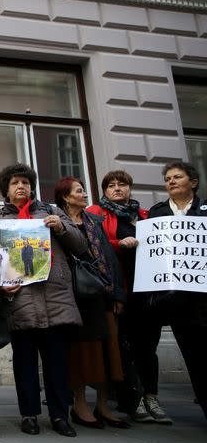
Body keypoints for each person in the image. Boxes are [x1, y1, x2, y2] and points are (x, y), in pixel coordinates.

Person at [0, 164, 87, 438]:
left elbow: (81, 246)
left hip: (55, 300)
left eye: (26, 182)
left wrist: (62, 228)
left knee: (57, 363)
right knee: (25, 364)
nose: (21, 187)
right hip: (20, 303)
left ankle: (59, 415)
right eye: (15, 183)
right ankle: (28, 414)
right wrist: (0, 284)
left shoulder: (53, 212)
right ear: (6, 190)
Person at [55, 176, 129, 429]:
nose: (85, 194)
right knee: (80, 352)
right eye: (79, 191)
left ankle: (103, 404)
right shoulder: (56, 223)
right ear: (66, 196)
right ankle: (80, 404)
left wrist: (116, 294)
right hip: (73, 296)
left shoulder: (94, 221)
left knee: (106, 350)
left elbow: (108, 258)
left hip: (99, 293)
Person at [142, 162, 207, 421]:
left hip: (203, 298)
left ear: (193, 182)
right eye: (167, 178)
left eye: (177, 177)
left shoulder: (205, 211)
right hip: (174, 301)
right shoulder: (156, 214)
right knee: (196, 361)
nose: (171, 181)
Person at [85, 170, 151, 422]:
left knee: (144, 344)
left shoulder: (143, 216)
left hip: (144, 287)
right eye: (110, 185)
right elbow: (95, 246)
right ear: (104, 190)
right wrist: (119, 243)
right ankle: (130, 399)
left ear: (130, 188)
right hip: (117, 286)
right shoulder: (96, 213)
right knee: (121, 343)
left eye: (121, 184)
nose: (116, 189)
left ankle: (149, 396)